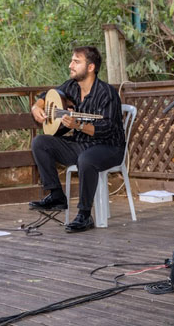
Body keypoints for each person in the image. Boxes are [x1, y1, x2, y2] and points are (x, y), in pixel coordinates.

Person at [29, 46, 125, 233]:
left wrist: (78, 125)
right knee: (40, 143)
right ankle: (56, 195)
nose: (70, 65)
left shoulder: (106, 93)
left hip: (109, 147)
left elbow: (107, 128)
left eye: (76, 61)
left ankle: (84, 214)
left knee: (87, 159)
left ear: (90, 67)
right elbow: (45, 97)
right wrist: (36, 108)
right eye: (71, 60)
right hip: (81, 144)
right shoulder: (71, 86)